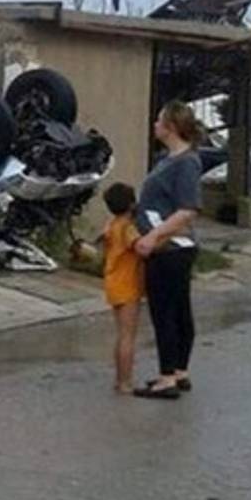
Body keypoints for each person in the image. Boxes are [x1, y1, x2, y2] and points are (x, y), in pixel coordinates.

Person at [132, 101, 203, 400]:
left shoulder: (185, 162)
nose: (155, 124)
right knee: (177, 309)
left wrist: (154, 237)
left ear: (171, 127)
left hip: (170, 248)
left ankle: (167, 377)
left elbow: (187, 210)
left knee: (167, 313)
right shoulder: (168, 159)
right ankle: (179, 370)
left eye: (159, 120)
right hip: (167, 246)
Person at [101, 182, 144, 394]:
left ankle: (119, 379)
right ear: (131, 203)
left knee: (121, 334)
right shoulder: (128, 228)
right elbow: (141, 248)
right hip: (128, 284)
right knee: (128, 335)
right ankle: (125, 381)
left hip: (113, 281)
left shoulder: (111, 225)